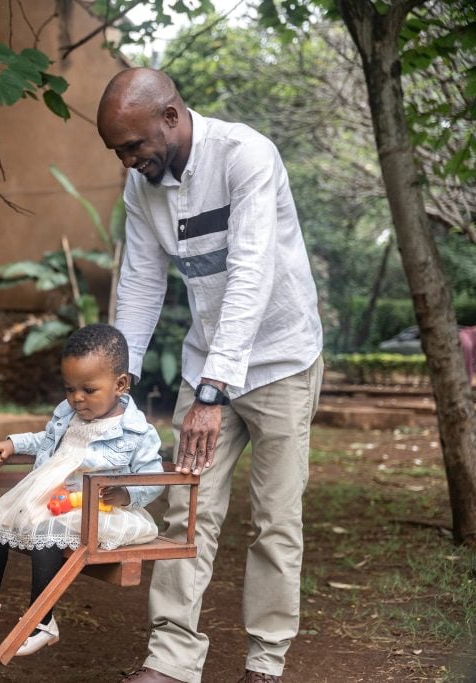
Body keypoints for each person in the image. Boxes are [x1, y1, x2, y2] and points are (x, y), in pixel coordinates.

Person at [96, 67, 324, 683]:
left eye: (133, 146)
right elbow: (142, 282)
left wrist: (211, 393)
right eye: (118, 151)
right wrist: (121, 382)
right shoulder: (142, 186)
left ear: (170, 117)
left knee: (276, 518)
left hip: (281, 361)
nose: (127, 160)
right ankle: (171, 661)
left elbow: (252, 275)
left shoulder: (247, 155)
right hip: (208, 364)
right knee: (186, 511)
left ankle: (266, 661)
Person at [0, 323, 165, 656]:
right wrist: (15, 443)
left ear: (120, 384)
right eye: (69, 389)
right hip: (58, 497)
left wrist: (127, 492)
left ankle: (42, 622)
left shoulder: (135, 431)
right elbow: (47, 440)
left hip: (102, 509)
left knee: (48, 532)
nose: (77, 398)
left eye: (88, 389)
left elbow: (153, 475)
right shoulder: (67, 413)